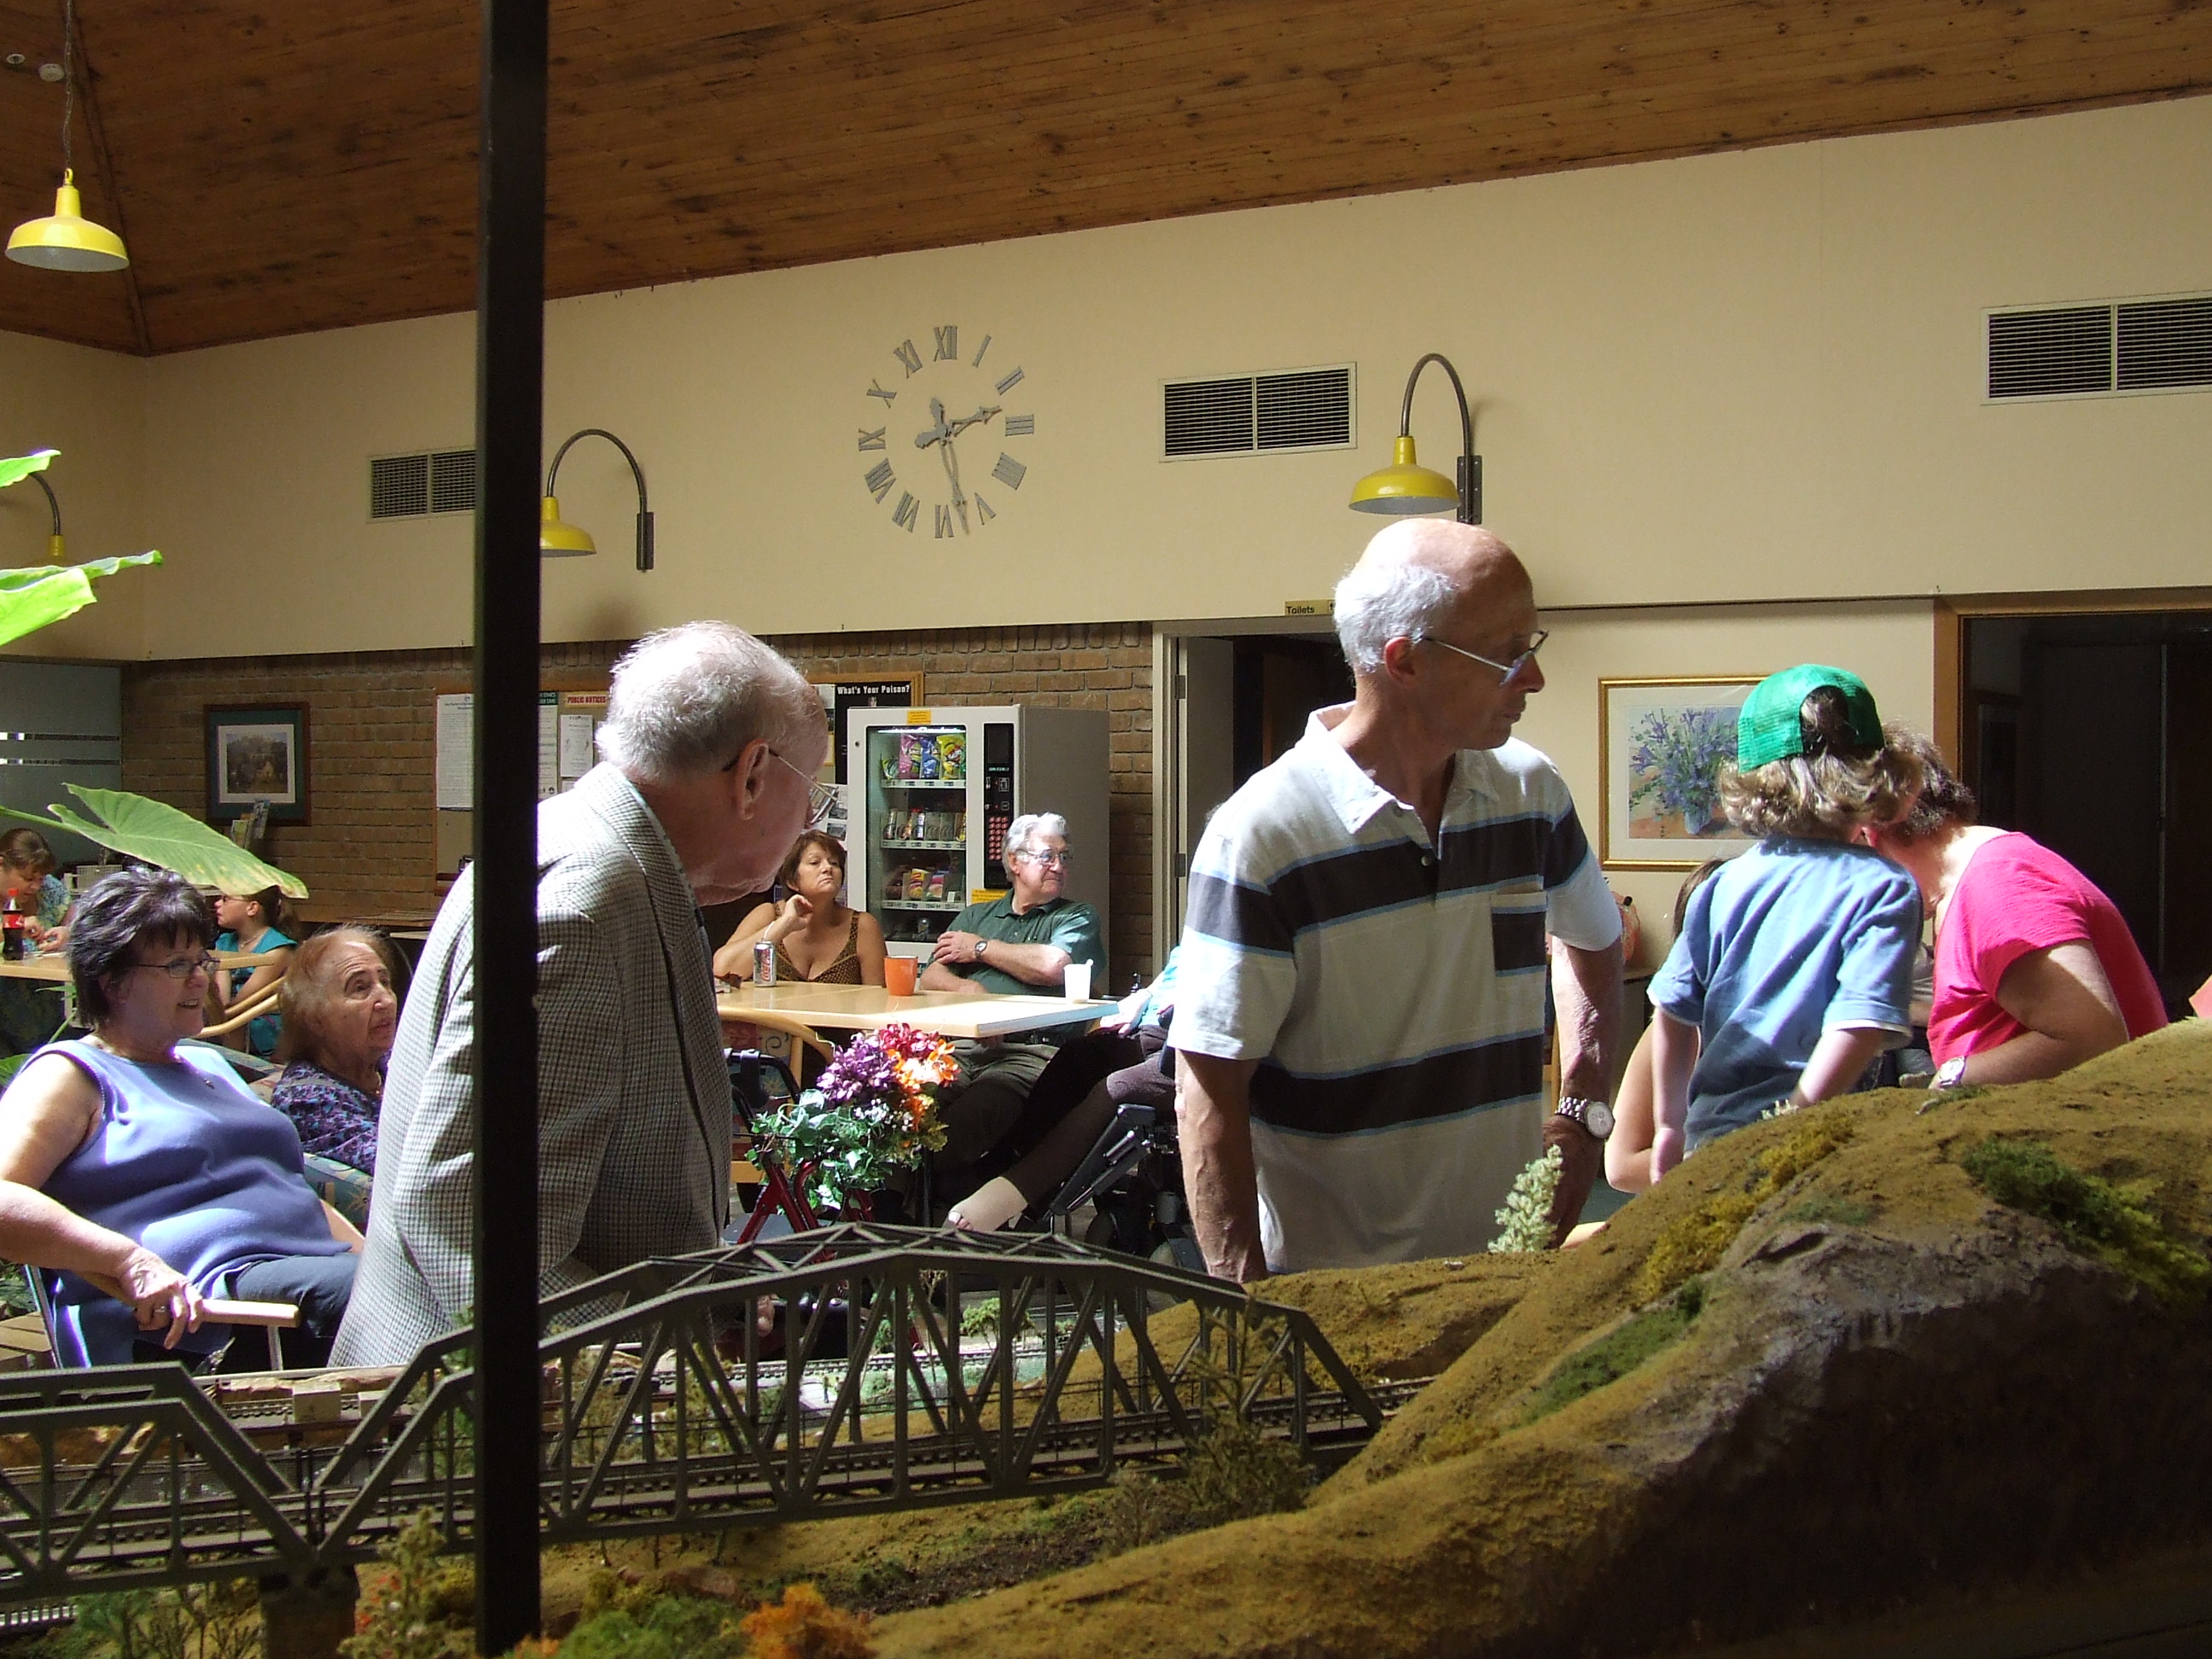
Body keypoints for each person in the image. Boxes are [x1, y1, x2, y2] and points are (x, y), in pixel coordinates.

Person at [332, 621, 829, 1366]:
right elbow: (473, 1239)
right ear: (753, 774)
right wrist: (671, 1351)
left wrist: (703, 1291)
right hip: (477, 1413)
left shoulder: (589, 849)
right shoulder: (587, 905)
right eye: (810, 791)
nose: (808, 822)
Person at [1171, 521, 1623, 1281]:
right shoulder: (1264, 838)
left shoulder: (1530, 793)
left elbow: (1595, 941)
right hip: (1336, 1296)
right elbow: (1209, 1092)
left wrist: (1583, 1114)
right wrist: (1245, 1309)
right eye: (1509, 654)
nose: (1536, 679)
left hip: (1509, 1271)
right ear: (1405, 660)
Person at [0, 869, 361, 1368]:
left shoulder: (207, 1063)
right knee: (380, 1298)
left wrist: (381, 1259)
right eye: (176, 964)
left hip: (311, 1272)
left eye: (201, 960)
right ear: (112, 981)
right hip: (212, 1310)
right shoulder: (74, 1074)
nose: (200, 978)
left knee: (443, 1283)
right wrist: (129, 1261)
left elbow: (283, 1182)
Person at [1646, 667, 1924, 1178]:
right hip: (1818, 1142)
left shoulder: (1721, 884)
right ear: (1879, 774)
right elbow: (1858, 1024)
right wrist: (1795, 1119)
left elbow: (1672, 1012)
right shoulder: (1883, 887)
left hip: (1713, 1138)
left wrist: (1669, 1125)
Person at [1866, 731, 2165, 1086]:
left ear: (1868, 833)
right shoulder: (1963, 887)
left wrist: (1951, 1078)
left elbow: (2092, 1038)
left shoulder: (1997, 884)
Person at [916, 812, 1107, 1192]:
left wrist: (980, 949)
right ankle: (906, 1209)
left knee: (963, 1124)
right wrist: (970, 992)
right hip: (962, 1049)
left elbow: (1052, 966)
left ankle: (939, 1210)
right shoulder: (977, 916)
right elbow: (931, 977)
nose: (1059, 866)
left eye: (1064, 857)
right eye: (1047, 856)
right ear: (1015, 861)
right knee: (907, 1110)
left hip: (1030, 1054)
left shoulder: (1076, 916)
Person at [948, 946, 1180, 1231]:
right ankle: (1001, 1168)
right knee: (1077, 1057)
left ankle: (1009, 1194)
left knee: (1119, 1088)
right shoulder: (1202, 930)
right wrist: (1145, 995)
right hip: (1148, 1031)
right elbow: (1178, 967)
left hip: (1195, 1052)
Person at [269, 926, 400, 1175]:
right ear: (313, 1017)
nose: (386, 1000)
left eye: (385, 982)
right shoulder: (307, 1101)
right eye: (360, 988)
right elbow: (402, 1166)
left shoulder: (392, 1060)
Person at [713, 830, 887, 986]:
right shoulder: (768, 914)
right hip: (770, 1014)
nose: (827, 868)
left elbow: (880, 999)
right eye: (815, 862)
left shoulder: (862, 926)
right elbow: (723, 971)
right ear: (792, 881)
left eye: (834, 863)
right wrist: (784, 924)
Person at [207, 886, 297, 1059]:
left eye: (226, 899)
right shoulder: (224, 942)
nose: (217, 904)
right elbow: (223, 1000)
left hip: (261, 1023)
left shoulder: (278, 949)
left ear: (252, 908)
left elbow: (244, 1003)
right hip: (230, 1019)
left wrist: (217, 1013)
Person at [0, 827, 70, 943]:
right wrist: (11, 929)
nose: (36, 887)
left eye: (41, 878)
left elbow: (82, 930)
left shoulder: (50, 888)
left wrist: (68, 935)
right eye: (28, 879)